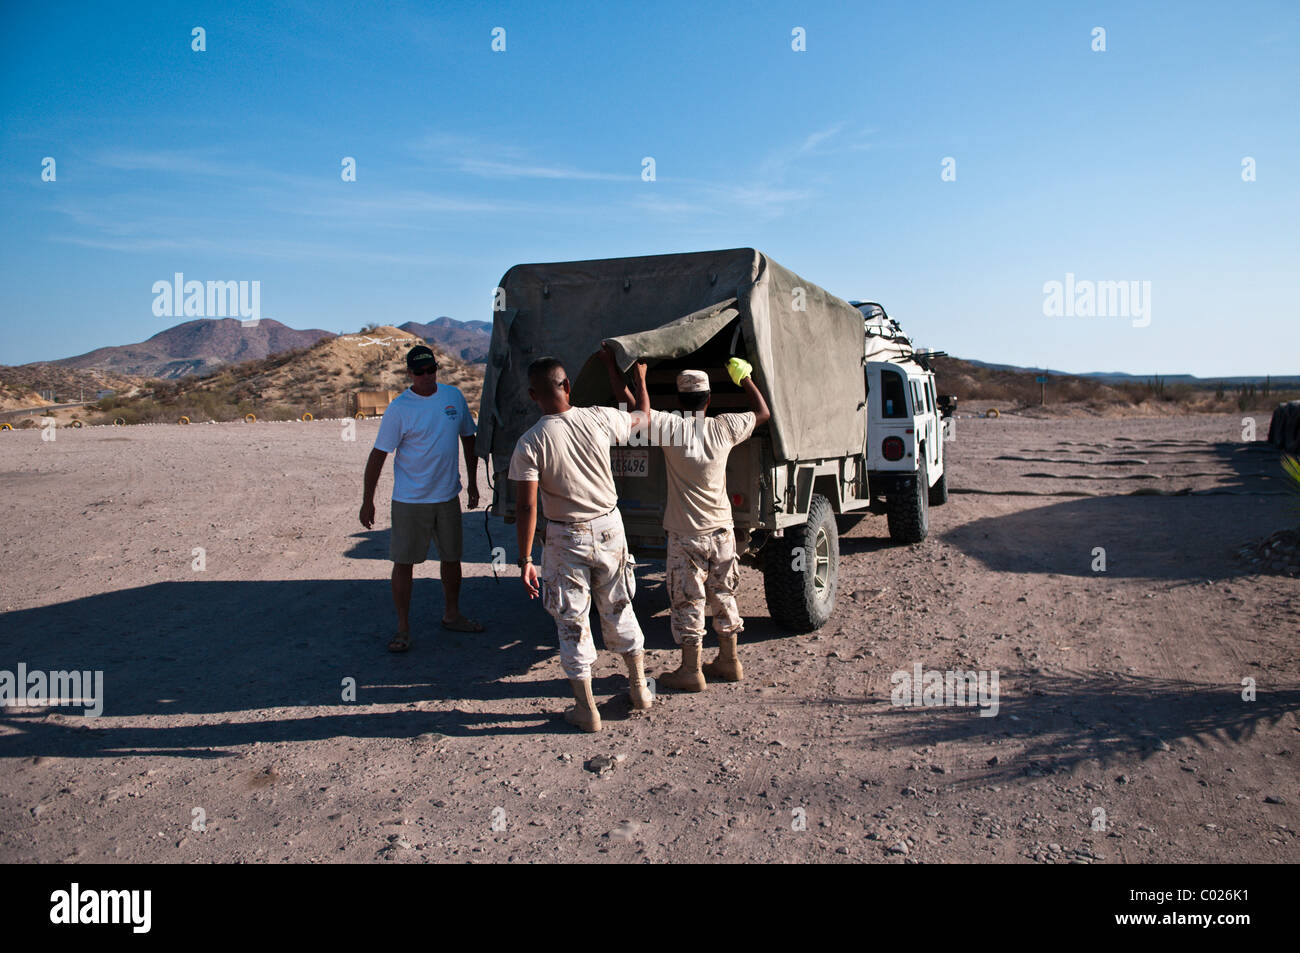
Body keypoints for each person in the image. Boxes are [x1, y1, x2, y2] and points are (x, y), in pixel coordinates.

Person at [600, 353, 770, 691]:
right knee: (724, 593)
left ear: (679, 400)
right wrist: (746, 378)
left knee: (688, 600)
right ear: (709, 399)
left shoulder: (671, 428)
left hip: (686, 536)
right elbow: (764, 413)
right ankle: (729, 661)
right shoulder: (724, 427)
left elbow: (633, 409)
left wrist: (633, 377)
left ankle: (691, 671)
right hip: (722, 531)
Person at [509, 354, 654, 732]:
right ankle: (640, 688)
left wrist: (525, 558)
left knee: (572, 620)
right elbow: (644, 417)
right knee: (619, 606)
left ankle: (586, 709)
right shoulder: (599, 417)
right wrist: (636, 376)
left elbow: (526, 505)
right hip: (609, 528)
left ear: (531, 395)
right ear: (567, 386)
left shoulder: (530, 443)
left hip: (564, 536)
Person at [359, 344, 483, 652]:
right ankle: (403, 628)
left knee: (452, 559)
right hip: (410, 500)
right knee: (404, 562)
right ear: (409, 374)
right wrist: (367, 499)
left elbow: (469, 438)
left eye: (431, 371)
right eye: (420, 372)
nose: (427, 377)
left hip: (447, 497)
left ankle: (451, 615)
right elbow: (378, 455)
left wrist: (472, 483)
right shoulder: (400, 408)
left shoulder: (452, 397)